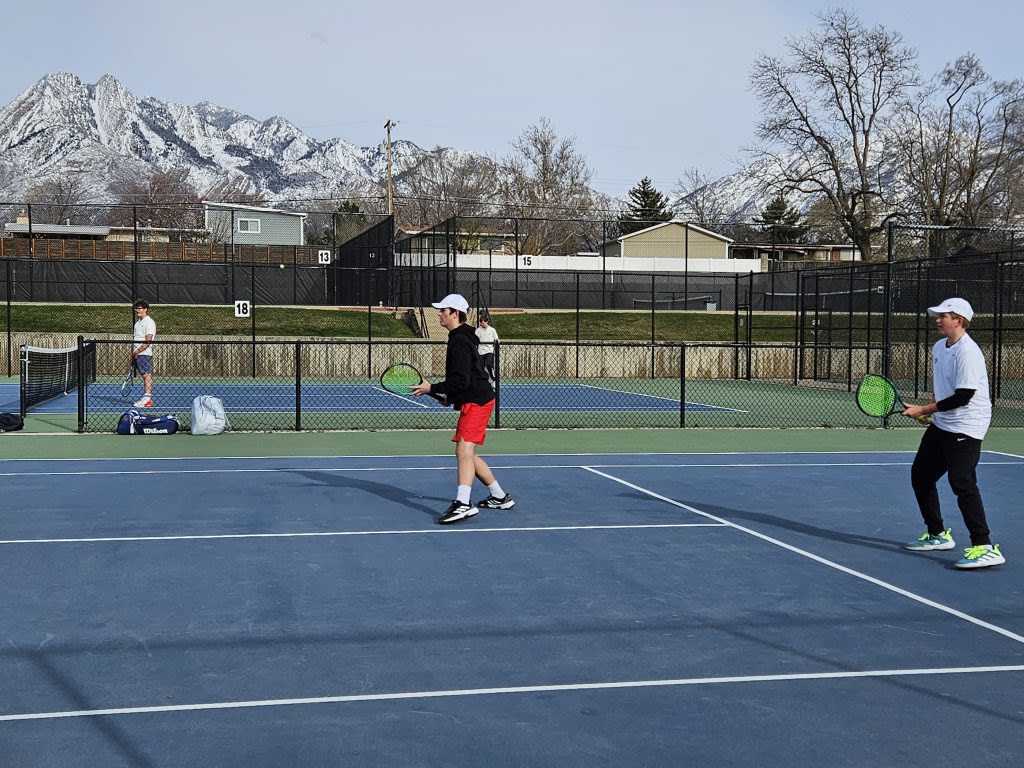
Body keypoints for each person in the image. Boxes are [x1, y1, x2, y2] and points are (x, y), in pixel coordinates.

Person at [901, 298, 1003, 569]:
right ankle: (937, 534)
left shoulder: (968, 352)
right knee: (921, 476)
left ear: (958, 320)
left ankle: (984, 546)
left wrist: (925, 408)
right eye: (937, 315)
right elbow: (944, 389)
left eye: (943, 315)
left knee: (962, 482)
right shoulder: (939, 347)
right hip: (944, 423)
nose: (937, 319)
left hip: (967, 425)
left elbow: (963, 396)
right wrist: (930, 412)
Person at [410, 293, 515, 524]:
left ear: (455, 314)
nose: (439, 314)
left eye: (443, 310)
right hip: (477, 398)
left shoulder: (459, 340)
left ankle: (463, 504)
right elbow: (465, 378)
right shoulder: (462, 336)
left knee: (463, 452)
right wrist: (452, 397)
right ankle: (499, 496)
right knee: (468, 453)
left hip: (477, 401)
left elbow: (461, 379)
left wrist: (432, 388)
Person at [132, 299, 156, 408]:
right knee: (145, 375)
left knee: (147, 375)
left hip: (144, 353)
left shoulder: (149, 322)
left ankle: (147, 398)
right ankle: (148, 399)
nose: (137, 310)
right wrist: (133, 353)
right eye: (136, 308)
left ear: (145, 309)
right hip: (138, 353)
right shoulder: (138, 323)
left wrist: (137, 351)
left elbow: (148, 341)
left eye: (140, 308)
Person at [475, 313, 499, 380]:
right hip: (480, 352)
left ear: (486, 322)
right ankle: (482, 381)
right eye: (480, 322)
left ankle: (494, 379)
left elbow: (497, 339)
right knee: (480, 368)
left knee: (489, 365)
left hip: (489, 351)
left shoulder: (492, 330)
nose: (481, 324)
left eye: (482, 323)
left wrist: (497, 341)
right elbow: (475, 339)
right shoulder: (478, 330)